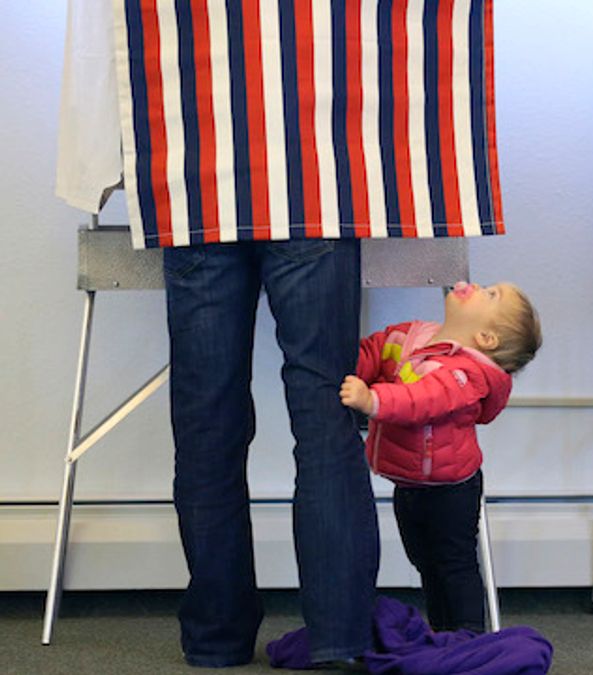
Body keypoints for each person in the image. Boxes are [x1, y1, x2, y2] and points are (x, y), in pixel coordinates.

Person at [164, 239, 379, 667]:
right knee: (324, 416)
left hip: (197, 193)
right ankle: (338, 640)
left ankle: (216, 638)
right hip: (309, 191)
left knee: (207, 426)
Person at [339, 281, 541, 632]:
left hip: (451, 490)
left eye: (491, 294)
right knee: (426, 564)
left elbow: (423, 400)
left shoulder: (465, 376)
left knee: (454, 564)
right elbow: (378, 349)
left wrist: (372, 401)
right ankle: (441, 634)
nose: (477, 286)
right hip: (409, 483)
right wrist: (348, 365)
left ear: (486, 338)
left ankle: (467, 637)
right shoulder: (415, 337)